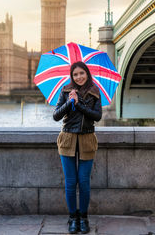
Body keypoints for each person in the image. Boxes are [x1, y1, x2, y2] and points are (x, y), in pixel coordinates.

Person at [53, 61, 102, 234]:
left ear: (87, 74)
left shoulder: (95, 92)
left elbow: (97, 116)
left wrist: (79, 103)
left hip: (87, 138)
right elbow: (56, 116)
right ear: (71, 76)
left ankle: (84, 218)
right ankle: (73, 218)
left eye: (82, 73)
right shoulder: (66, 91)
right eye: (75, 74)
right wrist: (69, 102)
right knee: (71, 182)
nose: (79, 77)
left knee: (84, 182)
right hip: (68, 138)